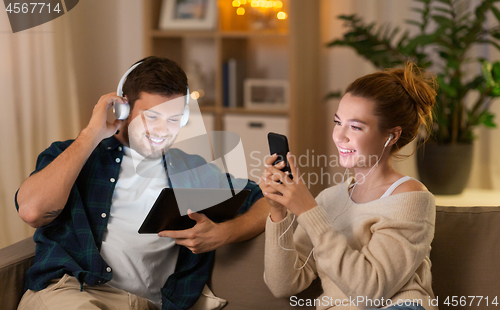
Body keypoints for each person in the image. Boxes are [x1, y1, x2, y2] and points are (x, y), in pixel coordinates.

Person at [15, 56, 270, 310]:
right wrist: (92, 133)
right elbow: (32, 211)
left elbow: (267, 200)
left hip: (148, 304)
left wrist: (223, 234)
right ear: (123, 110)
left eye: (173, 119)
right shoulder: (74, 155)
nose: (162, 130)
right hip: (75, 292)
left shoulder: (191, 169)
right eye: (151, 117)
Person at [260, 63, 438, 310]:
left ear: (392, 136)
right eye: (338, 122)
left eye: (355, 127)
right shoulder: (329, 199)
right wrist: (278, 212)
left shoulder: (411, 198)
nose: (339, 136)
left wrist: (308, 211)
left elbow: (370, 291)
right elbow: (284, 285)